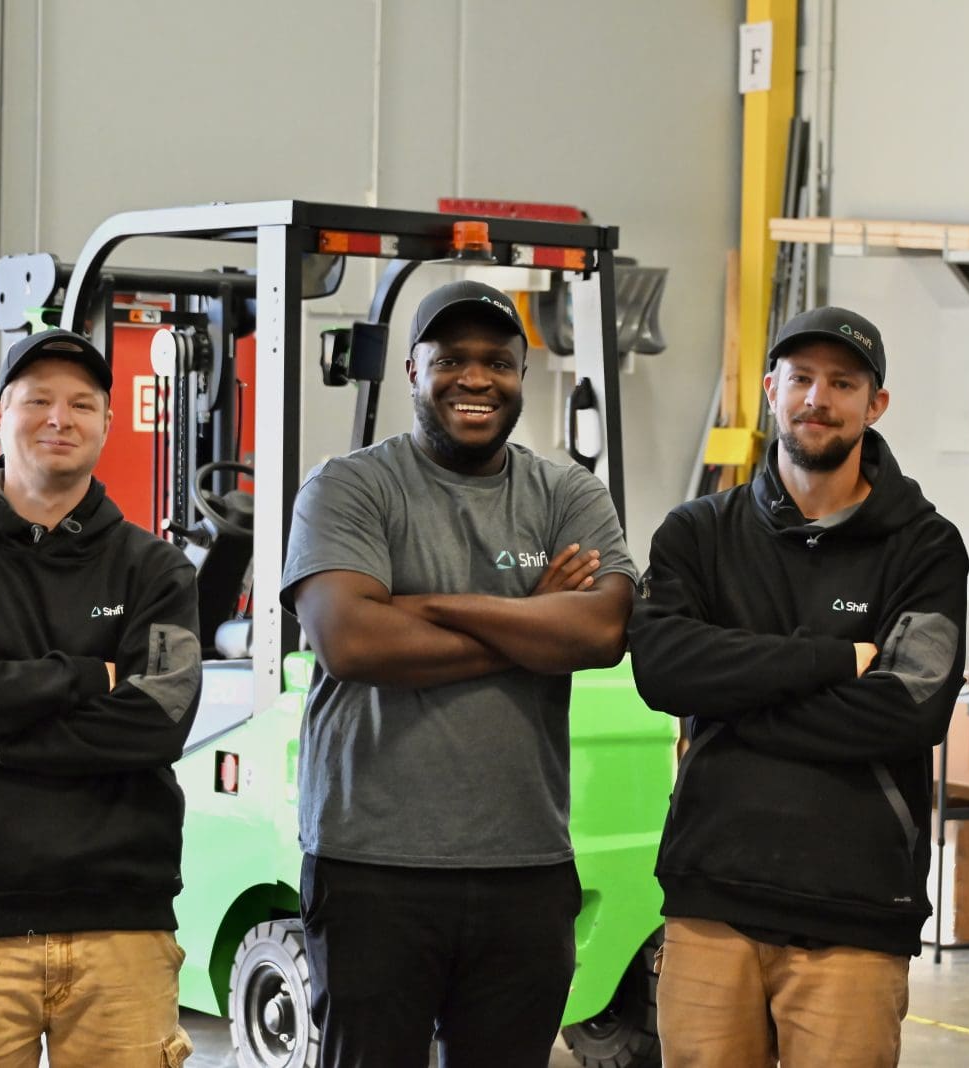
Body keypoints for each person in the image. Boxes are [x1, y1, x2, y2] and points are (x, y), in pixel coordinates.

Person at [281, 279, 637, 1068]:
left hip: (526, 866)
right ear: (413, 370)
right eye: (451, 360)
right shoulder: (350, 486)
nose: (476, 379)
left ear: (520, 374)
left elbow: (602, 630)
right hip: (371, 865)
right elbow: (352, 642)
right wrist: (530, 617)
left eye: (497, 362)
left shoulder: (567, 494)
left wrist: (424, 606)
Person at [627, 306, 969, 1068]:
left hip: (855, 912)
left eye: (843, 383)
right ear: (770, 391)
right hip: (711, 900)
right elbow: (662, 671)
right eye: (802, 378)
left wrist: (731, 696)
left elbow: (906, 713)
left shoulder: (925, 548)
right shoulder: (697, 534)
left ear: (875, 405)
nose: (819, 398)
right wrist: (830, 661)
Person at [0, 328, 203, 1067]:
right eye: (39, 401)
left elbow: (157, 725)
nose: (61, 418)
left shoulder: (156, 571)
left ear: (107, 423)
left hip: (121, 921)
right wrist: (88, 677)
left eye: (82, 404)